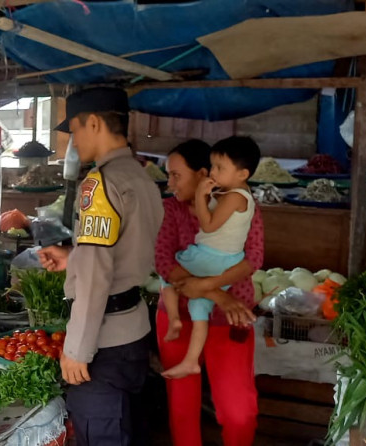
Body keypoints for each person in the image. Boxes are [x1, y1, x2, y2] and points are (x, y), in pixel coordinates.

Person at [37, 87, 163, 446]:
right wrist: (74, 256)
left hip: (103, 342)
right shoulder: (141, 176)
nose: (74, 142)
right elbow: (126, 249)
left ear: (93, 123)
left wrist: (76, 349)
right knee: (132, 430)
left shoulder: (101, 183)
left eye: (74, 131)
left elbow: (96, 277)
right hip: (134, 330)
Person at [155, 139, 263, 446]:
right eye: (169, 175)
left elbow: (253, 257)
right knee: (182, 408)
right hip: (179, 318)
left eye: (176, 175)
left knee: (239, 412)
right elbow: (164, 262)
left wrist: (206, 287)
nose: (169, 182)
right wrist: (218, 294)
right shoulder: (170, 209)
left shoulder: (239, 203)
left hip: (229, 321)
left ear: (205, 174)